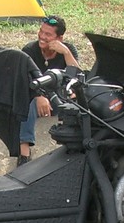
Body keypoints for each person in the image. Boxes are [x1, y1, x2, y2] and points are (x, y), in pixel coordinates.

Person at [18, 15, 79, 165]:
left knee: (78, 101)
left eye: (48, 34)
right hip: (34, 99)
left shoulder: (68, 50)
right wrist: (38, 96)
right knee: (24, 101)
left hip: (58, 99)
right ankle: (23, 155)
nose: (42, 37)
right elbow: (23, 81)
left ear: (59, 38)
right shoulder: (30, 50)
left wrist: (66, 53)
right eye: (41, 32)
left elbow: (77, 78)